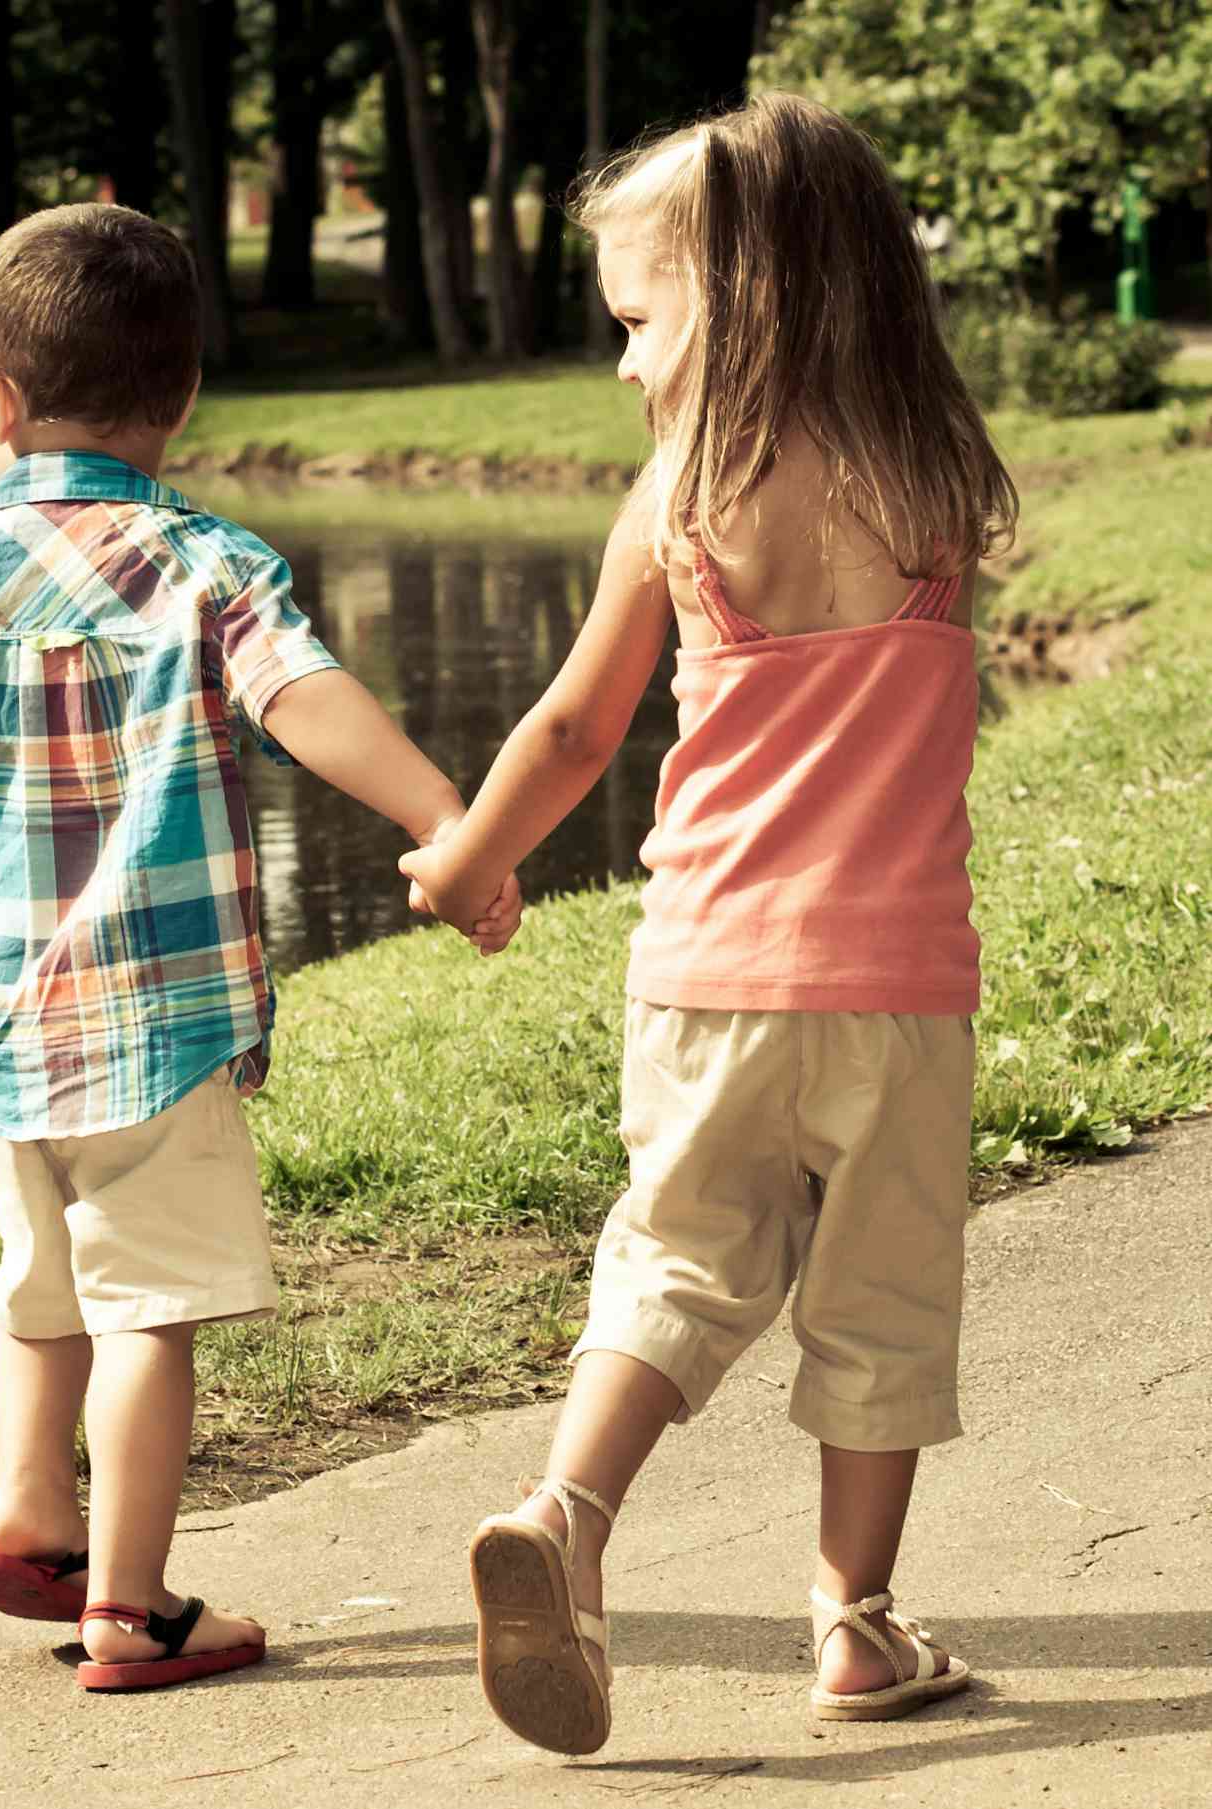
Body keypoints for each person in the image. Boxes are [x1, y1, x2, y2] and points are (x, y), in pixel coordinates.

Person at [0, 202, 519, 1692]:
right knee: (149, 1300)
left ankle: (32, 1512)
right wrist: (446, 822)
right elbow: (307, 701)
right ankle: (132, 1603)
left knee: (40, 1268)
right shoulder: (201, 564)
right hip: (150, 1010)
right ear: (180, 402)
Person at [401, 92, 1018, 1754]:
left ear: (735, 306)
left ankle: (568, 1517)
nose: (621, 365)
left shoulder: (679, 495)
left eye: (638, 320)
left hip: (706, 973)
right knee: (881, 1303)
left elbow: (575, 731)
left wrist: (465, 861)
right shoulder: (936, 477)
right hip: (896, 982)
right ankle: (854, 1628)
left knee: (675, 1263)